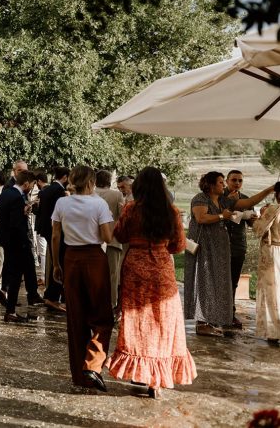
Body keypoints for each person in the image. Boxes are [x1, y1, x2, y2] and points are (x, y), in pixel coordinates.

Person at [105, 167, 197, 399]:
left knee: (138, 320)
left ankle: (141, 371)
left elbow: (120, 235)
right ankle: (158, 378)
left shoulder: (131, 209)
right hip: (161, 269)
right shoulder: (172, 212)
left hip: (135, 268)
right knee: (163, 321)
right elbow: (177, 245)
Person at [51, 165, 114, 391]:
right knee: (102, 316)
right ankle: (93, 364)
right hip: (94, 257)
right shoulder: (99, 204)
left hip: (70, 257)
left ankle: (79, 376)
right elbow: (107, 236)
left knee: (75, 319)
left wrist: (57, 264)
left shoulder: (62, 203)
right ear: (91, 183)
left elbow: (56, 235)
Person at [185, 172, 272, 337]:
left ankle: (211, 320)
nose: (223, 185)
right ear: (210, 185)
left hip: (218, 249)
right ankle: (202, 323)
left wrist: (270, 190)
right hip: (204, 248)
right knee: (204, 282)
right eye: (220, 182)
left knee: (215, 284)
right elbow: (201, 218)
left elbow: (249, 202)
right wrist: (221, 215)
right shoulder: (200, 198)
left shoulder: (223, 200)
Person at [1, 170, 43, 322]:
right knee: (16, 277)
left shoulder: (5, 193)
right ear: (26, 183)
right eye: (31, 185)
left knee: (18, 274)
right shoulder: (17, 198)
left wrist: (23, 211)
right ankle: (10, 311)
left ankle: (13, 308)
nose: (31, 188)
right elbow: (16, 224)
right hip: (17, 243)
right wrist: (24, 242)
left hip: (7, 240)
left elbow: (7, 217)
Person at [223, 169, 256, 329]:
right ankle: (214, 314)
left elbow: (251, 223)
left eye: (240, 181)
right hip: (220, 245)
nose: (237, 183)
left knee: (233, 281)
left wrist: (254, 218)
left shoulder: (247, 200)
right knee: (219, 281)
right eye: (234, 180)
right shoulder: (219, 197)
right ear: (227, 181)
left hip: (238, 245)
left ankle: (230, 313)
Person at [252, 181, 280, 344]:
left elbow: (258, 229)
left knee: (273, 291)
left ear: (278, 194)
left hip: (274, 253)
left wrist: (259, 215)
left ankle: (275, 331)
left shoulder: (274, 209)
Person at [37, 166, 70, 313]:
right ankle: (53, 296)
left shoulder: (47, 189)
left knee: (54, 262)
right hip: (55, 231)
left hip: (46, 229)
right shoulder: (59, 192)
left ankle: (53, 295)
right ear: (65, 177)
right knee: (59, 263)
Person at [94, 169, 125, 311]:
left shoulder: (91, 194)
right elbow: (122, 216)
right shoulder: (117, 194)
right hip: (112, 238)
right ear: (109, 181)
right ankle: (111, 302)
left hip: (94, 239)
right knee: (112, 274)